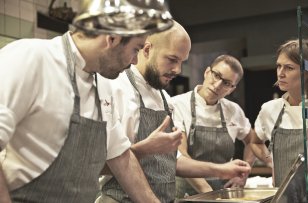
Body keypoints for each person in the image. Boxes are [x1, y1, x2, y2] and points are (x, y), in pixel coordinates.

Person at [0, 7, 178, 203]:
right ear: (112, 38)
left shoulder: (102, 84)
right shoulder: (30, 58)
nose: (135, 60)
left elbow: (122, 158)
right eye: (135, 49)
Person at [97, 21, 251, 203]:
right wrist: (145, 149)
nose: (177, 70)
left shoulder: (165, 100)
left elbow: (174, 161)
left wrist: (222, 169)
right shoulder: (114, 88)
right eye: (172, 59)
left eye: (181, 62)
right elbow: (96, 165)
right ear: (146, 50)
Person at [171, 54, 256, 198]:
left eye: (227, 83)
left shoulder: (233, 110)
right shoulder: (177, 105)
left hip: (222, 192)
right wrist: (209, 194)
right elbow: (181, 155)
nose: (217, 85)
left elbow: (253, 141)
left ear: (232, 89)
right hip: (186, 194)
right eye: (216, 75)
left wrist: (243, 174)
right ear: (207, 72)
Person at [250, 38, 308, 203]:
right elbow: (255, 142)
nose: (280, 73)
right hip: (282, 197)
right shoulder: (270, 109)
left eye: (289, 68)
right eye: (279, 66)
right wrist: (271, 162)